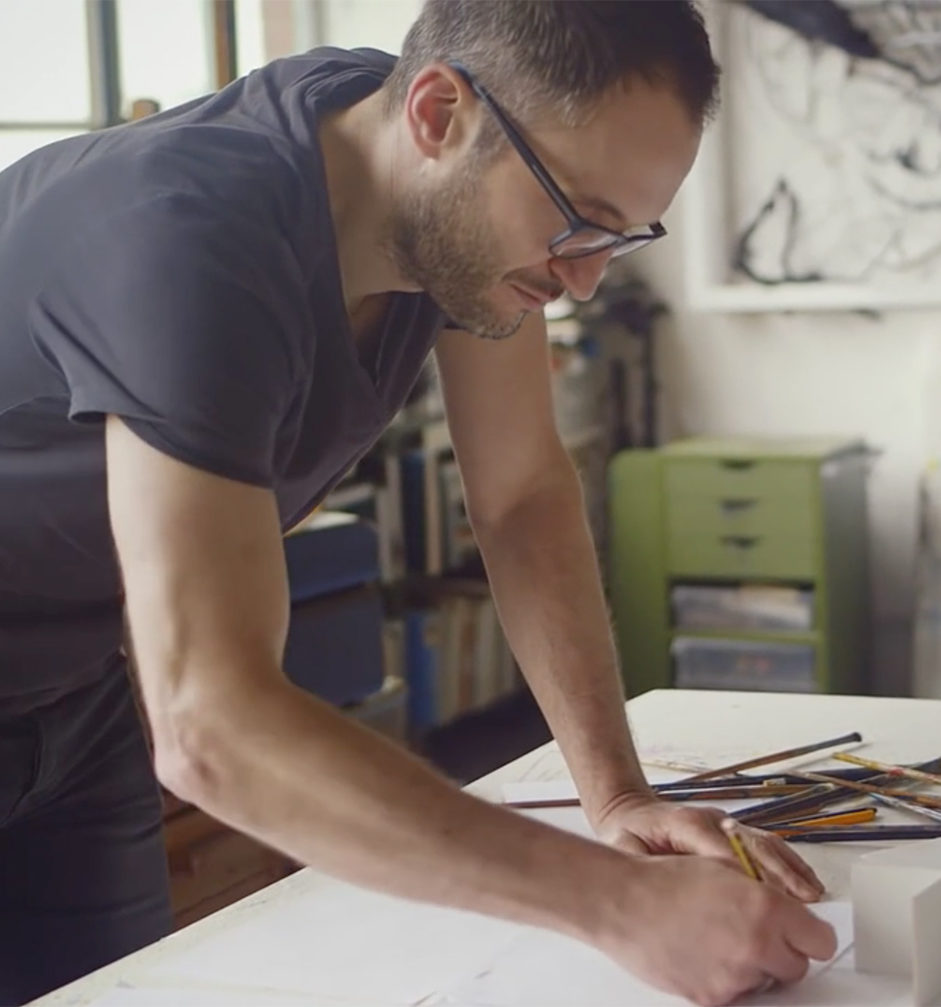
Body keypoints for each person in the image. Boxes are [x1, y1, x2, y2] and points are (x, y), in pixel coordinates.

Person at [0, 2, 836, 1004]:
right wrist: (616, 903)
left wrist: (611, 793)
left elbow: (522, 493)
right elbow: (211, 723)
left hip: (69, 691)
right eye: (573, 219)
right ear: (439, 113)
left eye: (617, 237)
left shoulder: (430, 176)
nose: (576, 280)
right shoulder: (189, 244)